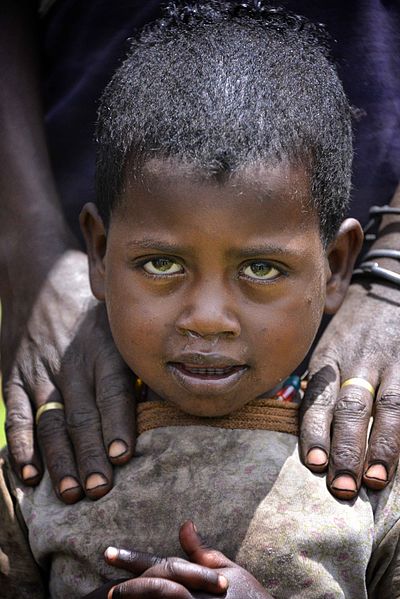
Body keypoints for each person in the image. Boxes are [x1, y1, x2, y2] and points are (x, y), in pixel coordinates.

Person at [1, 3, 399, 597]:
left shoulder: (373, 466)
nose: (207, 319)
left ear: (338, 264)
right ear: (100, 253)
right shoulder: (40, 464)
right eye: (162, 264)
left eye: (262, 268)